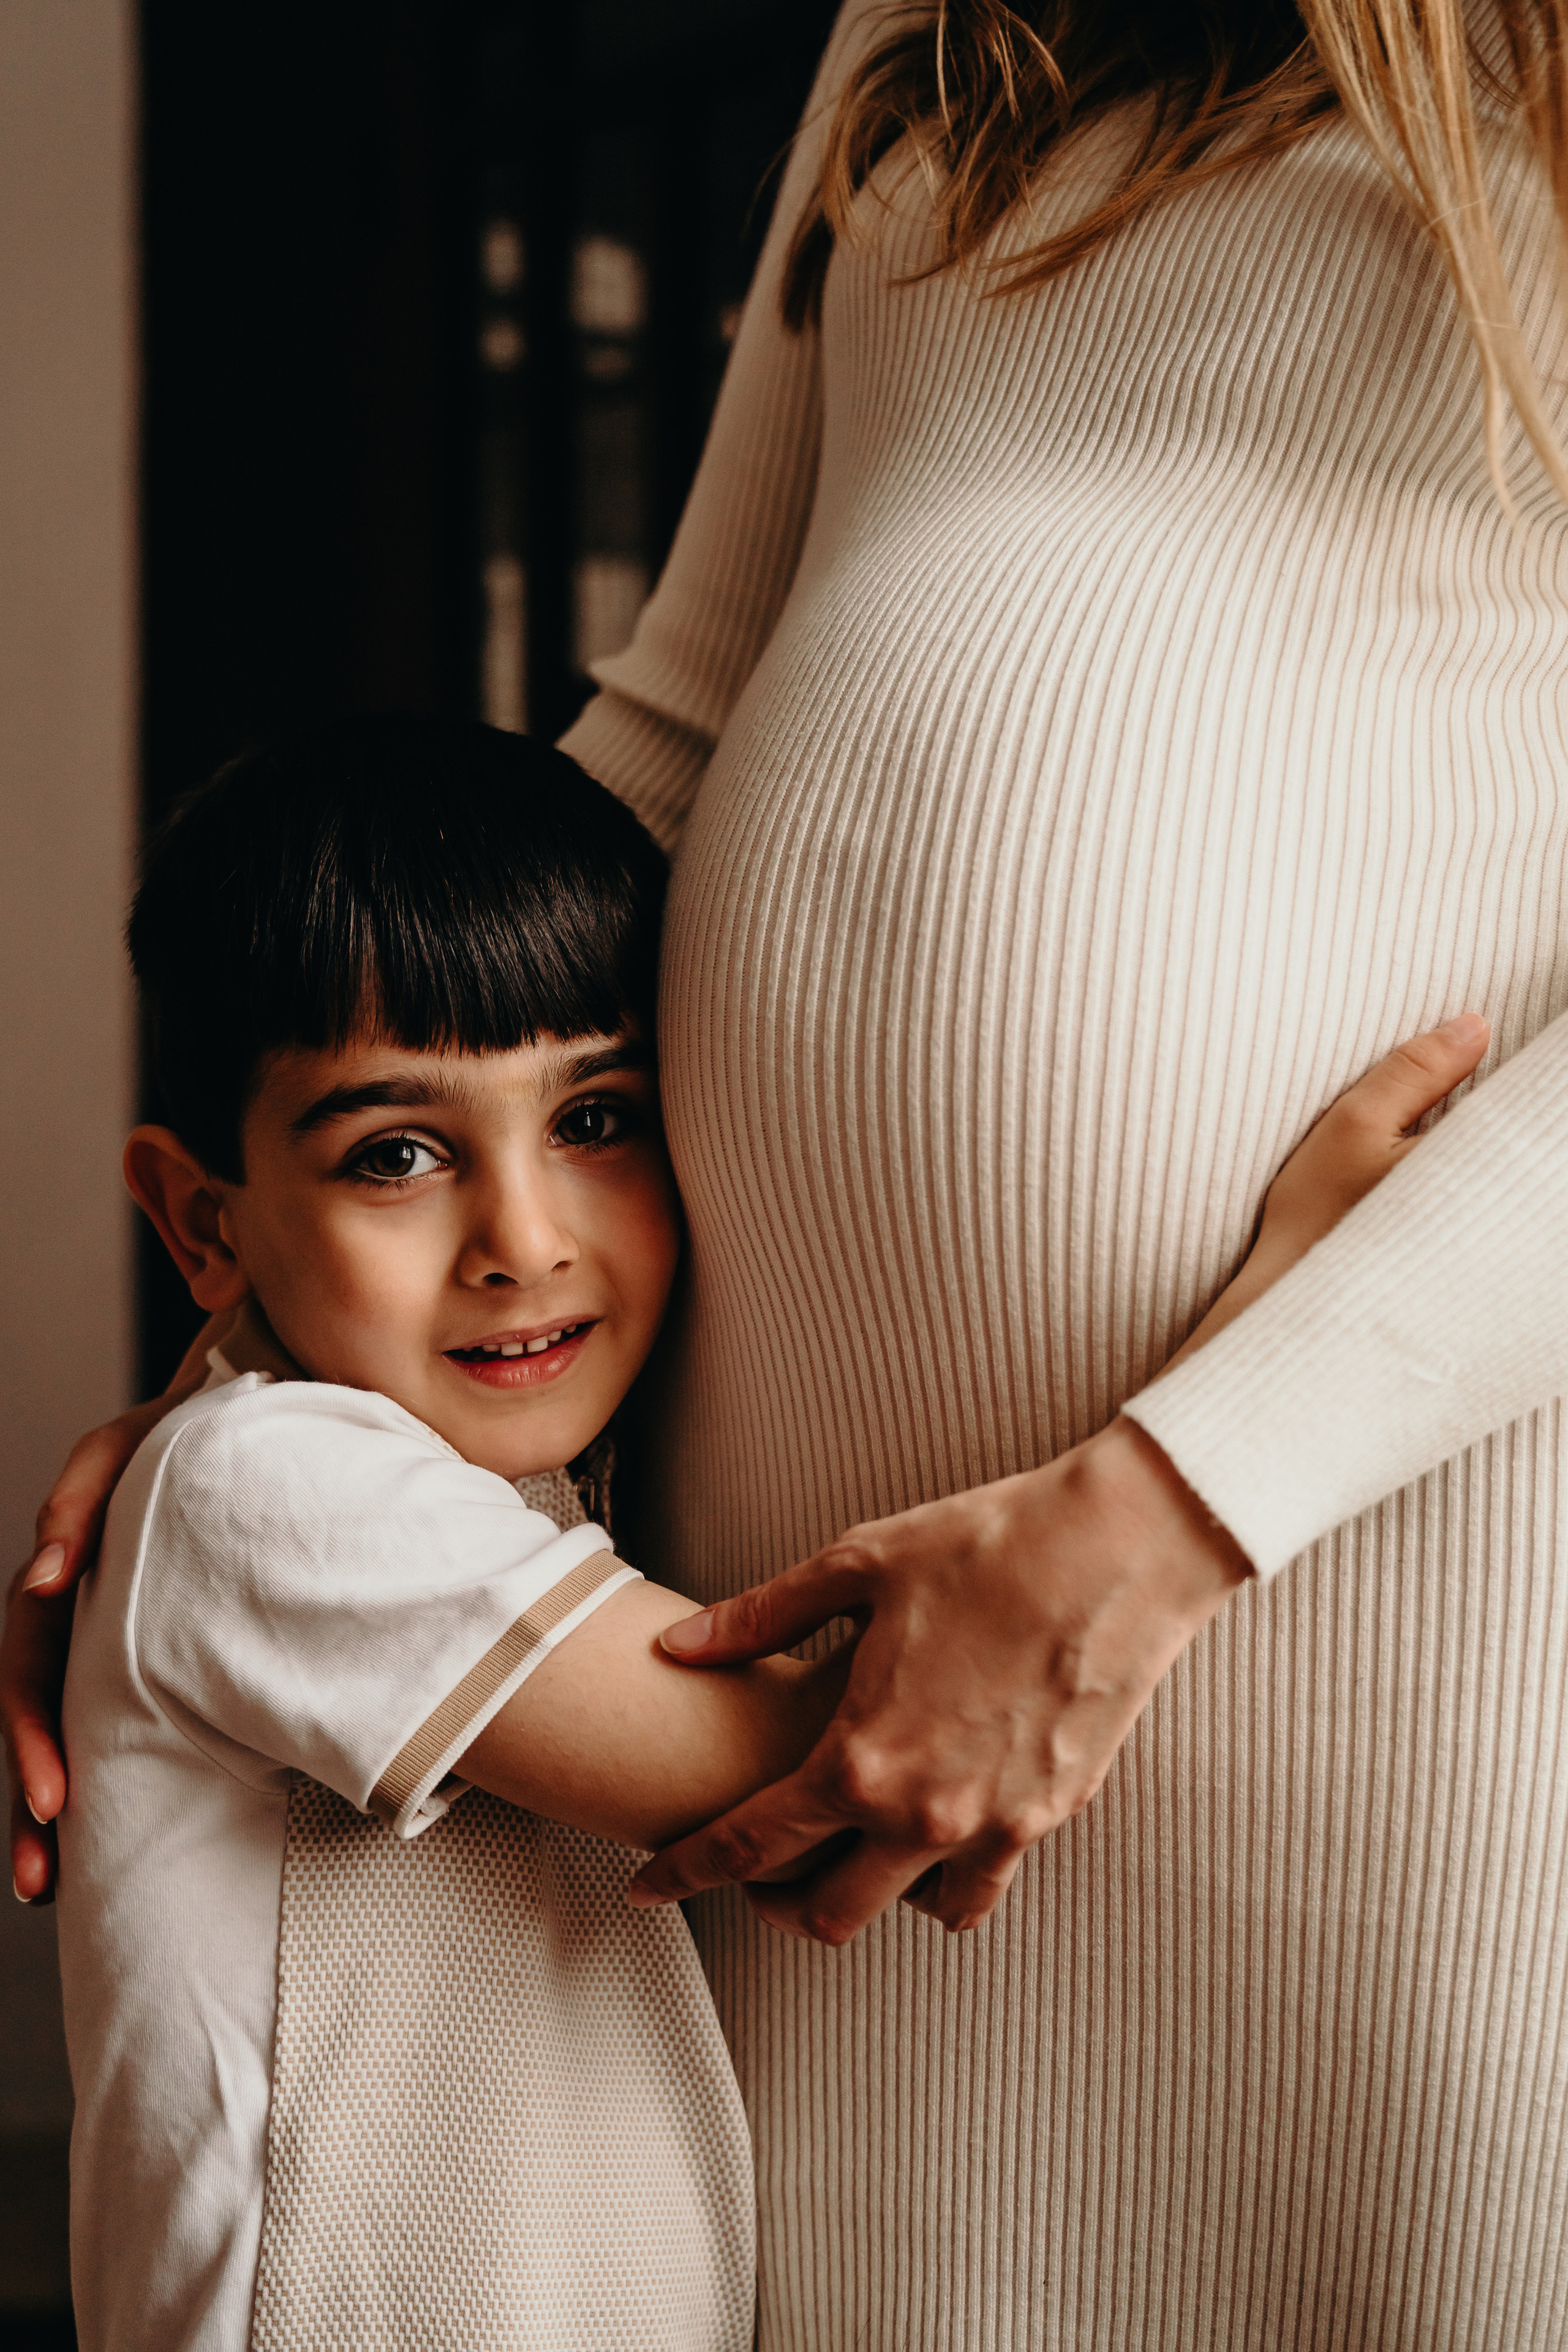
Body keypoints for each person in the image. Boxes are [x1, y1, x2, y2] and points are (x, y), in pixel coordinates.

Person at [10, 0, 1568, 2343]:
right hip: (816, 1619)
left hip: (1354, 1531)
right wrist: (279, 1377)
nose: (520, 1222)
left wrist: (1211, 1460)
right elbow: (677, 712)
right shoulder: (931, 34)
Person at [52, 716, 858, 2352]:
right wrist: (1234, 1388)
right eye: (397, 1154)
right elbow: (822, 1755)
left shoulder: (519, 1489)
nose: (523, 1240)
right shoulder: (270, 1482)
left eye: (596, 1118)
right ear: (204, 1222)